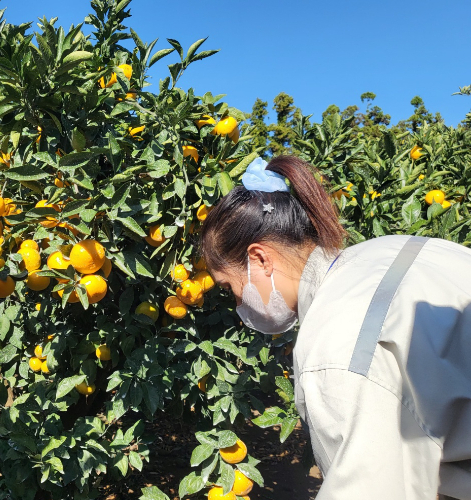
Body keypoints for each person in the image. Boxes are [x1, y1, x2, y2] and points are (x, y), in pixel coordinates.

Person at [200, 155, 471, 500]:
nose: (237, 303)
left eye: (229, 287)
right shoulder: (396, 249)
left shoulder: (334, 347)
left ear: (260, 259)